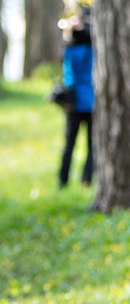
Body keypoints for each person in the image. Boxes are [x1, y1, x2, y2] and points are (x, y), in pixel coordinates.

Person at [58, 6, 94, 189]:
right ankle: (86, 181)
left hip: (73, 102)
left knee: (69, 145)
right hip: (90, 102)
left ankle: (62, 181)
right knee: (91, 146)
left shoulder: (69, 47)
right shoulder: (93, 46)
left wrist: (70, 30)